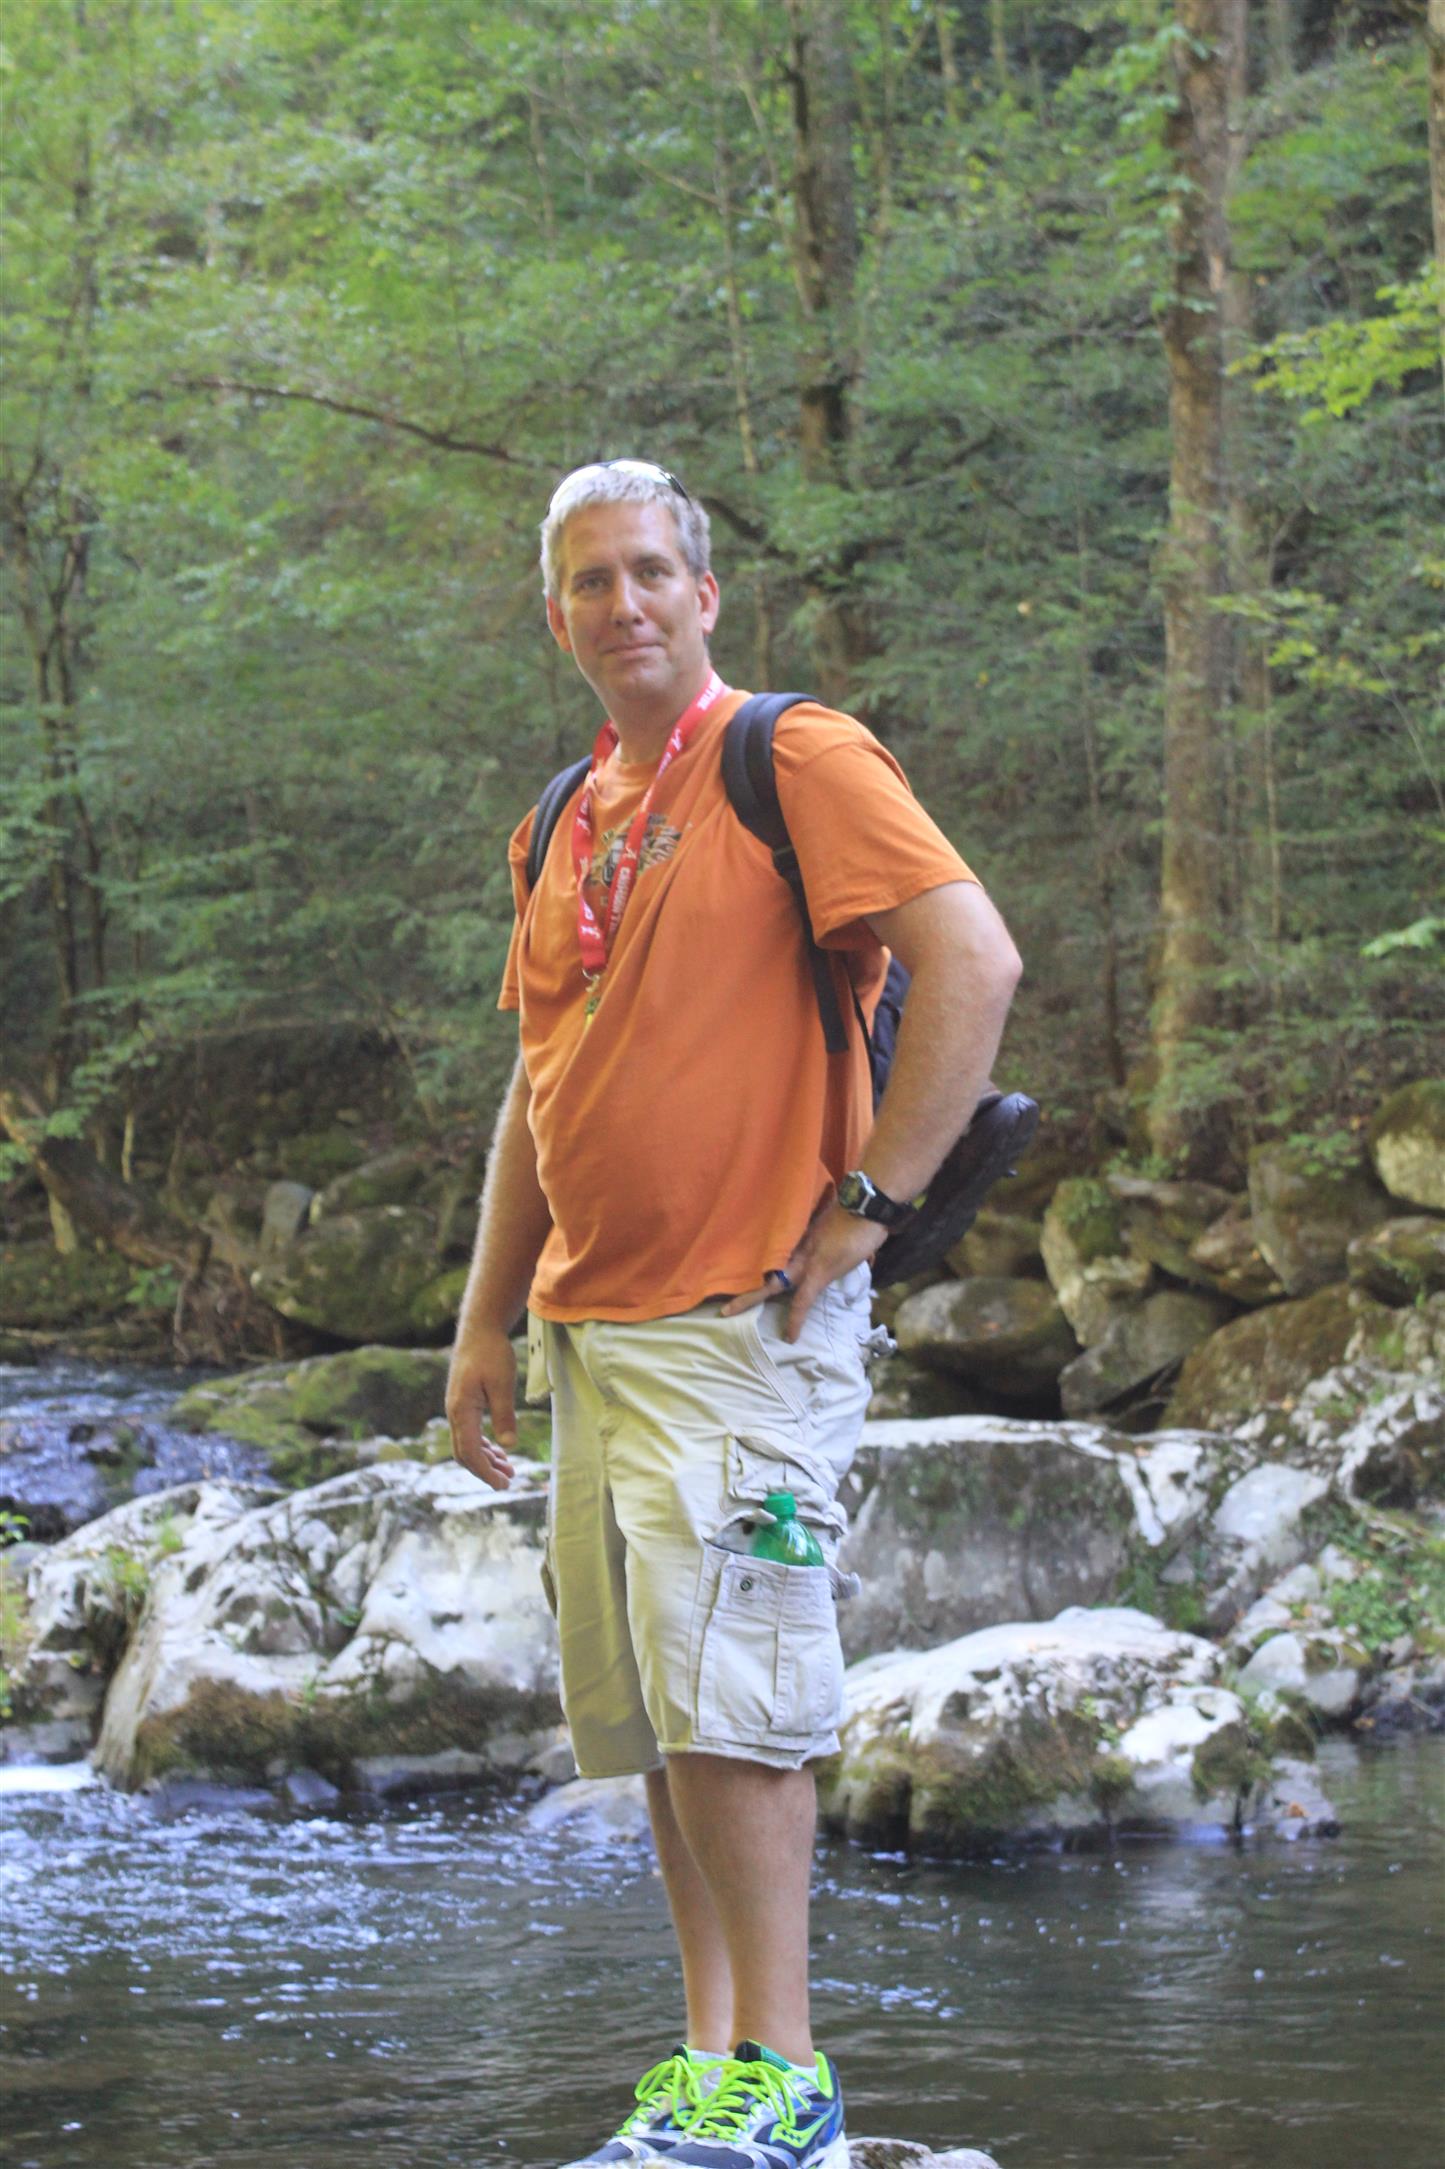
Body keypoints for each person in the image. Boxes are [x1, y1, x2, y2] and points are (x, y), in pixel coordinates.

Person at [446, 458, 1022, 2169]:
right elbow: (537, 1086)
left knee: (740, 1705)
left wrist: (871, 1201)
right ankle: (712, 2069)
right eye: (589, 580)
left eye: (649, 570)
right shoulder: (563, 815)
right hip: (593, 1330)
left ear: (704, 594)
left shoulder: (794, 758)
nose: (622, 602)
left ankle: (788, 2081)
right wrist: (484, 1319)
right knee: (653, 1716)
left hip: (742, 1324)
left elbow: (973, 961)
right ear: (554, 615)